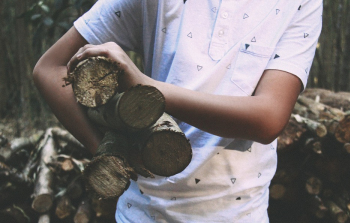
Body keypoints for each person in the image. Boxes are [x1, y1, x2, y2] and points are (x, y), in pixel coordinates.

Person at [33, 0, 323, 222]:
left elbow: (268, 118)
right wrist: (107, 152)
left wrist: (148, 88)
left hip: (241, 214)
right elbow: (49, 69)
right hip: (141, 213)